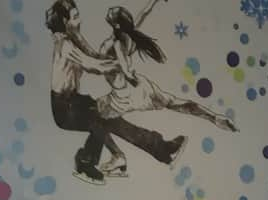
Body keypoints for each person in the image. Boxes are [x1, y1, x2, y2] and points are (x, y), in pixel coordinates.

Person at [45, 0, 186, 184]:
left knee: (112, 119)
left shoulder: (75, 38)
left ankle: (161, 150)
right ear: (65, 22)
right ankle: (85, 164)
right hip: (63, 108)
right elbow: (93, 65)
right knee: (99, 120)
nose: (79, 21)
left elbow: (96, 57)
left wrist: (117, 55)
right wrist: (121, 65)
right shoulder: (64, 44)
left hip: (75, 100)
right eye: (75, 17)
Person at [97, 3, 237, 167]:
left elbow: (123, 64)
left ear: (117, 24)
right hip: (143, 87)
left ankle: (117, 156)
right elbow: (144, 13)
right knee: (174, 103)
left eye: (113, 13)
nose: (110, 10)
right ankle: (214, 118)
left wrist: (127, 73)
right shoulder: (130, 34)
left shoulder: (116, 43)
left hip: (124, 95)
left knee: (95, 117)